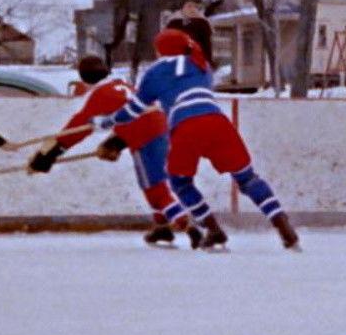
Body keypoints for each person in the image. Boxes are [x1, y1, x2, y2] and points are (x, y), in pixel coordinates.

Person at [94, 29, 300, 252]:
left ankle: (213, 229)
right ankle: (282, 224)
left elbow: (133, 110)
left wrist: (105, 122)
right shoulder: (200, 63)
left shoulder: (154, 73)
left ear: (159, 50)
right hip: (217, 121)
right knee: (247, 178)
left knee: (180, 182)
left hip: (186, 126)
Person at [29, 56, 202, 248]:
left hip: (144, 135)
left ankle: (188, 226)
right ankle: (162, 227)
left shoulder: (100, 94)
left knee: (155, 189)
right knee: (152, 183)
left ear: (84, 78)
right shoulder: (122, 85)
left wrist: (52, 153)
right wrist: (117, 142)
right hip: (162, 127)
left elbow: (80, 126)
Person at [165, 0, 214, 66]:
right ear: (182, 8)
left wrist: (208, 62)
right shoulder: (174, 23)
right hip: (177, 60)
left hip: (198, 60)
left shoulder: (203, 23)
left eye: (195, 7)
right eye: (189, 6)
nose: (193, 9)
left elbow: (207, 46)